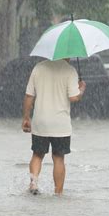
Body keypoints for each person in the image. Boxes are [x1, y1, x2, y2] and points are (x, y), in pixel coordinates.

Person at [22, 58, 86, 195]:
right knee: (58, 158)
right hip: (60, 124)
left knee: (37, 154)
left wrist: (26, 117)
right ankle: (58, 193)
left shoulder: (38, 68)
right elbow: (74, 97)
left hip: (41, 121)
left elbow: (29, 96)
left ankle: (33, 183)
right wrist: (81, 90)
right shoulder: (70, 70)